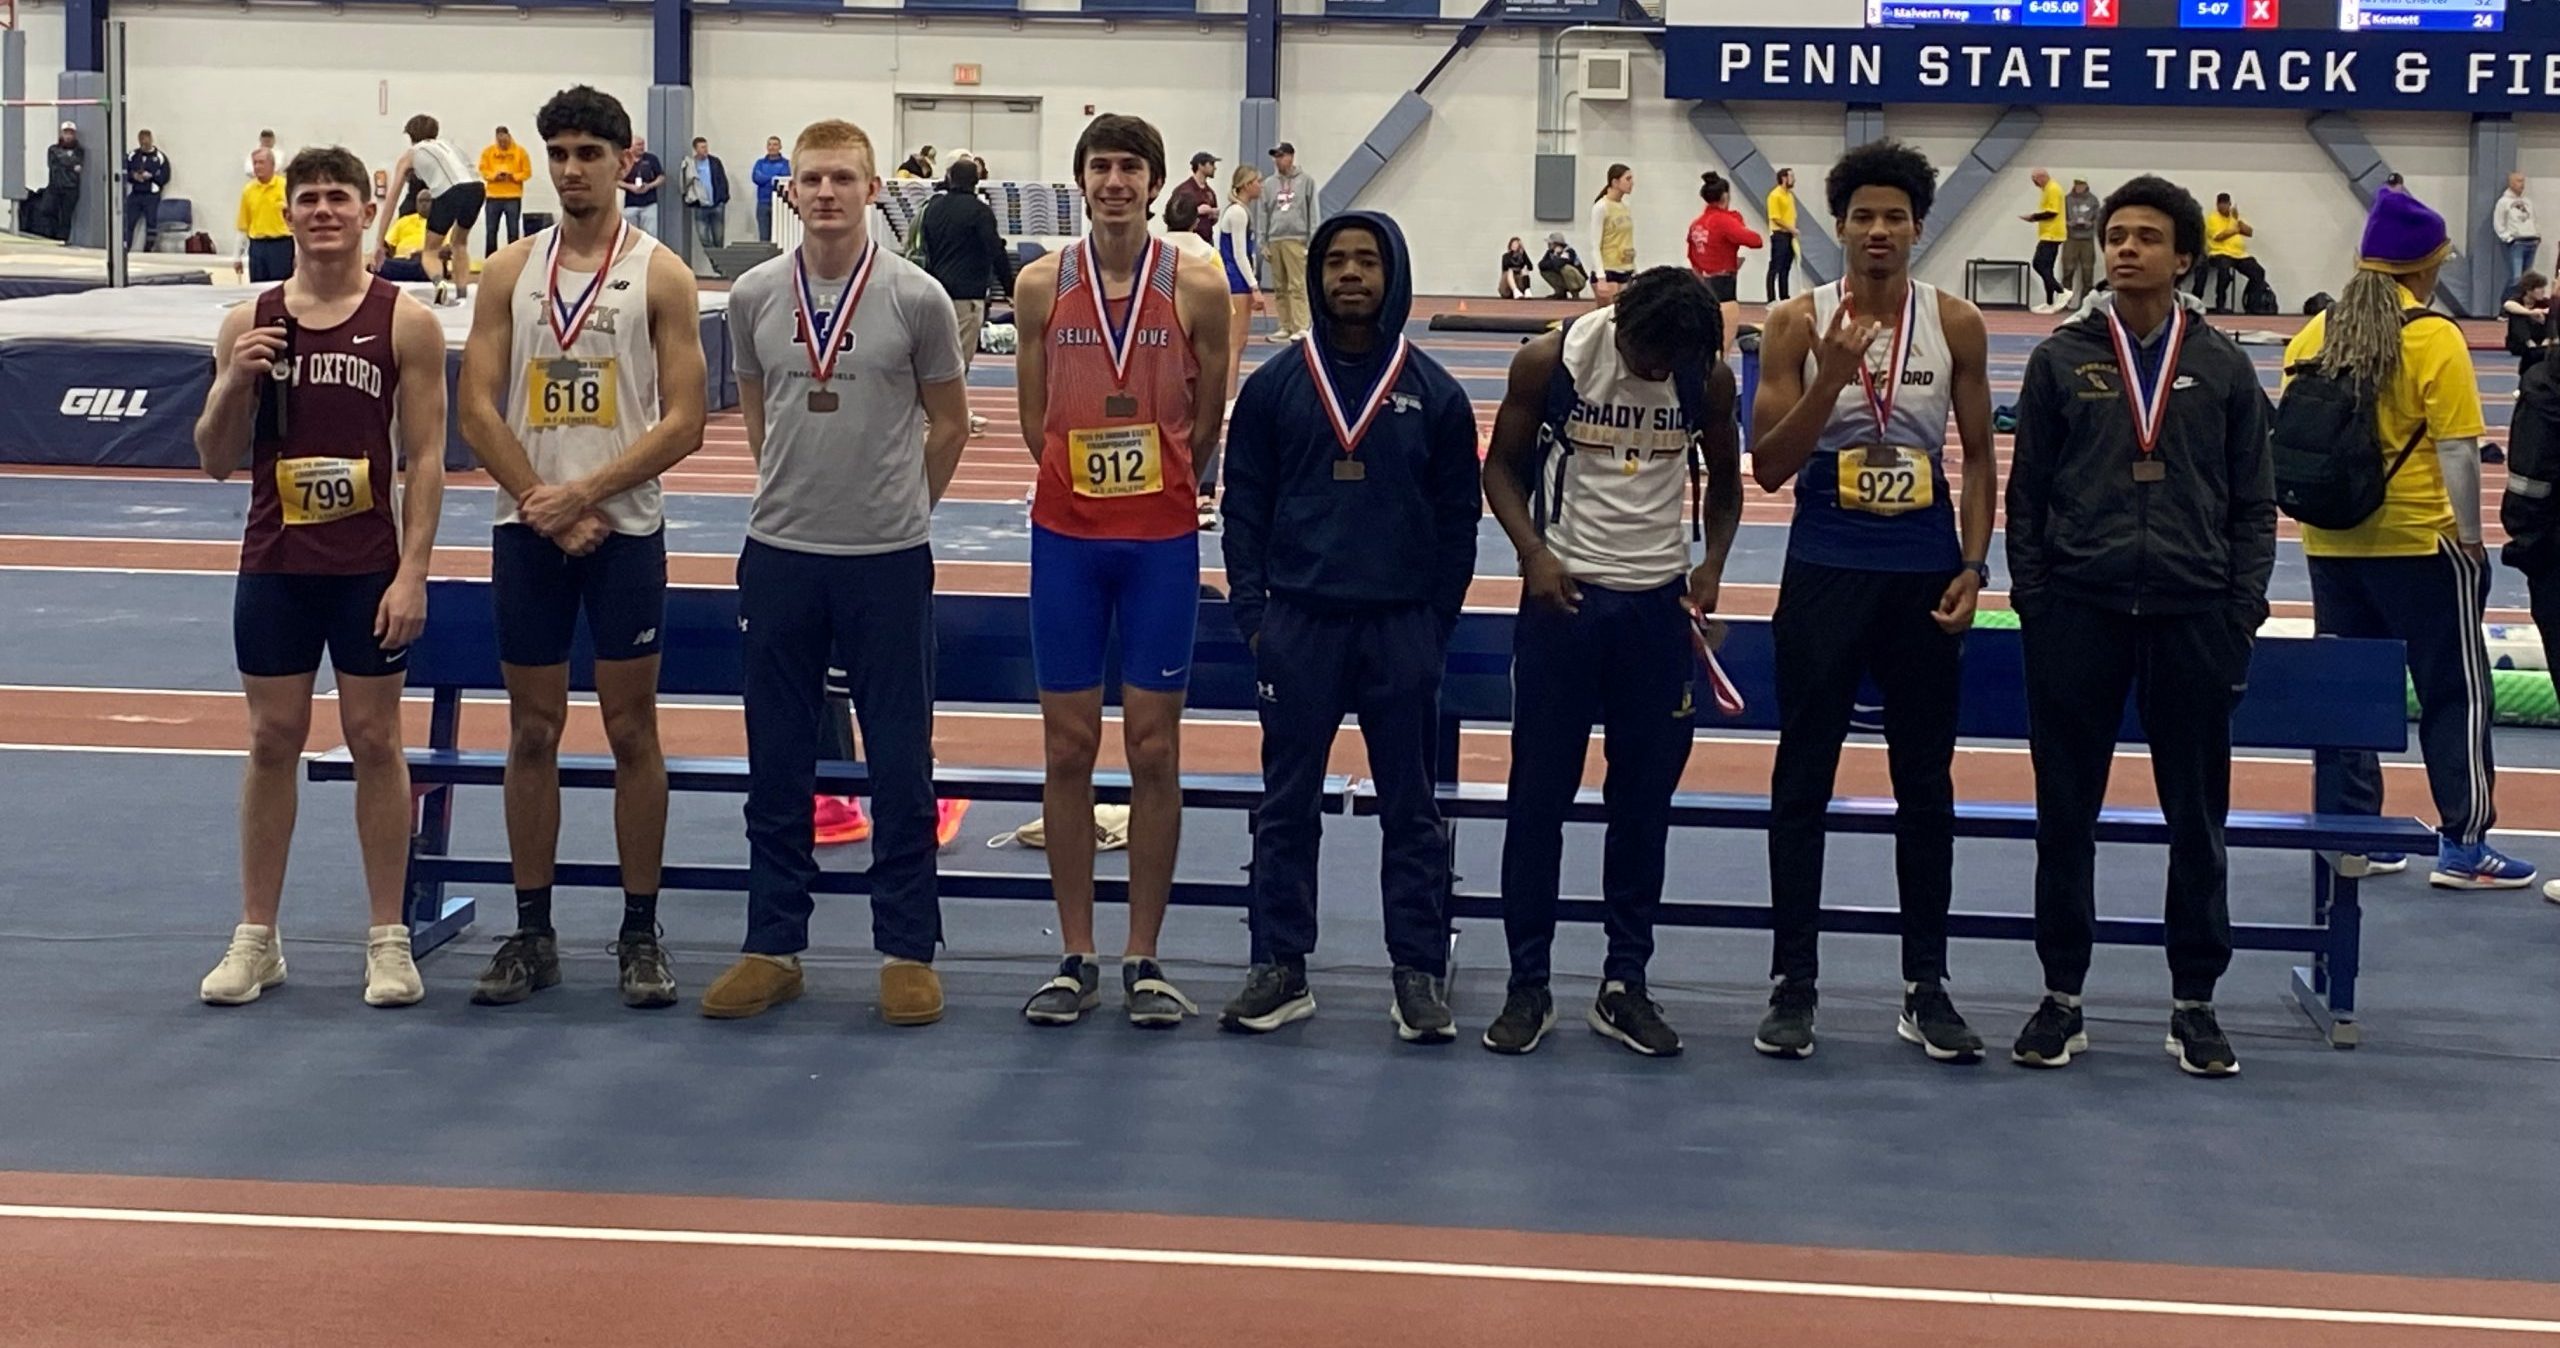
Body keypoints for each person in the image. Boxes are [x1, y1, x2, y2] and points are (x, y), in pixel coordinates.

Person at [699, 118, 970, 1025]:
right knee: (778, 759)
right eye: (812, 178)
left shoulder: (917, 298)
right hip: (781, 555)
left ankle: (907, 950)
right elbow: (755, 406)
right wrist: (795, 489)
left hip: (887, 560)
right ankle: (772, 946)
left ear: (873, 190)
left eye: (843, 178)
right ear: (792, 190)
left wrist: (904, 508)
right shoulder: (753, 295)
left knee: (900, 760)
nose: (825, 192)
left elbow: (951, 423)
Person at [2006, 175, 2277, 1078]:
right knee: (2064, 817)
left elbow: (2254, 505)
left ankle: (2195, 1002)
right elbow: (2027, 495)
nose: (2125, 248)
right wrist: (2038, 603)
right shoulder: (2061, 359)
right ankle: (2061, 997)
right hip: (2079, 614)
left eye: (2147, 237)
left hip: (2193, 616)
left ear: (2184, 257)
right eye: (2116, 235)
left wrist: (2240, 613)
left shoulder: (2225, 366)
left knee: (2197, 822)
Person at [1745, 139, 1999, 1064]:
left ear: (1918, 228)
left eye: (1895, 217)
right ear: (1840, 228)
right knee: (1802, 777)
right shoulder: (1794, 321)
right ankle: (1793, 983)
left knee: (1925, 784)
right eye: (1863, 217)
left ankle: (1927, 985)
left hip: (1923, 572)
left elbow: (1979, 459)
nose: (1879, 231)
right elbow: (1770, 466)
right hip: (1825, 565)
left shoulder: (1957, 323)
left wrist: (1974, 566)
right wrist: (1832, 377)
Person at [456, 84, 709, 1009]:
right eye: (558, 154)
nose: (571, 170)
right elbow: (475, 407)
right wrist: (544, 502)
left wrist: (585, 494)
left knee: (633, 731)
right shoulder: (507, 272)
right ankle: (533, 932)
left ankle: (640, 932)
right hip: (529, 532)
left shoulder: (662, 275)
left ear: (622, 162)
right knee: (532, 731)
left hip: (624, 532)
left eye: (588, 155)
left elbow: (686, 421)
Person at [193, 145, 448, 1010]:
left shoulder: (404, 321)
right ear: (288, 212)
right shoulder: (250, 320)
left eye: (339, 197)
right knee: (272, 740)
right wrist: (235, 379)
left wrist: (414, 573)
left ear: (364, 212)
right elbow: (213, 459)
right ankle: (256, 938)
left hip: (367, 566)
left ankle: (389, 939)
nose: (324, 211)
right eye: (309, 199)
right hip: (275, 561)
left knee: (375, 740)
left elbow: (427, 458)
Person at [1218, 210, 1482, 1042]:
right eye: (1337, 261)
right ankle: (1279, 966)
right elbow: (1243, 508)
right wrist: (1255, 617)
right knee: (1285, 806)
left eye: (1367, 261)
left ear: (1391, 274)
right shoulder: (1275, 387)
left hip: (1400, 629)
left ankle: (1417, 972)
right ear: (1318, 275)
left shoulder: (1435, 394)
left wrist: (1433, 626)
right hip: (1299, 625)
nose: (1351, 274)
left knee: (1411, 809)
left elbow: (1460, 522)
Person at [1478, 267, 1741, 1057]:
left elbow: (1726, 486)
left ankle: (1625, 982)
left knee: (1642, 807)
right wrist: (1533, 553)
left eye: (1671, 361)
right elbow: (1500, 469)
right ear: (1619, 322)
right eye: (1647, 355)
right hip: (1566, 604)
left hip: (1657, 611)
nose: (1657, 369)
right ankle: (1528, 984)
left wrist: (1713, 564)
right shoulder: (1551, 363)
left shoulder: (1705, 377)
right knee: (1538, 801)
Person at [1011, 112, 1230, 1028]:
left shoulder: (1198, 283)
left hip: (1159, 545)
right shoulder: (1039, 284)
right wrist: (1085, 483)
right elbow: (1034, 420)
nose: (1114, 182)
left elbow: (1208, 415)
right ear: (1082, 180)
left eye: (1130, 168)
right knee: (1067, 748)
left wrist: (1162, 483)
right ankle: (1076, 954)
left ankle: (1144, 954)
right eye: (1100, 167)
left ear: (1153, 182)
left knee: (1152, 749)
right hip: (1066, 540)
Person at [2286, 190, 2536, 890]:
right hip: (2420, 542)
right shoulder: (2433, 337)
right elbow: (2458, 449)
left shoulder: (2314, 334)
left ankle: (2351, 839)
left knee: (2346, 696)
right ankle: (2463, 842)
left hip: (2331, 541)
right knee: (2455, 691)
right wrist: (2472, 539)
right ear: (2426, 267)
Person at [916, 155, 1016, 439]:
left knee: (935, 356)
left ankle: (936, 413)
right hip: (966, 295)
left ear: (949, 178)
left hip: (935, 292)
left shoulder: (932, 208)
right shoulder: (979, 212)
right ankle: (948, 416)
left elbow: (925, 247)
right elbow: (995, 250)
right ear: (977, 181)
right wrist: (1010, 288)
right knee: (959, 360)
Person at [377, 115, 486, 301]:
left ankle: (440, 285)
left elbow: (391, 201)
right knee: (460, 244)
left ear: (410, 136)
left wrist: (379, 242)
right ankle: (462, 294)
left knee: (430, 252)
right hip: (477, 189)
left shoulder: (410, 154)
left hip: (448, 191)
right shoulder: (451, 146)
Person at [1685, 172, 1761, 355]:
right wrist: (1736, 221)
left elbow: (1692, 255)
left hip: (1706, 282)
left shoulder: (1697, 224)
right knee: (1724, 346)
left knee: (1708, 339)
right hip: (1725, 287)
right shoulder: (1725, 221)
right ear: (1725, 196)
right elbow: (1756, 241)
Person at [1217, 168, 1264, 453]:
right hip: (1235, 283)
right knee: (1234, 343)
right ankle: (1228, 398)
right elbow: (1238, 254)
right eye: (1257, 181)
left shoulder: (1242, 212)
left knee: (1240, 342)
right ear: (1246, 185)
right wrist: (1254, 286)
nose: (1261, 185)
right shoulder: (1237, 213)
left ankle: (1229, 395)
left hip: (1239, 282)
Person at [1256, 141, 1321, 342]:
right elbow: (1263, 213)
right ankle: (1285, 325)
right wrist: (1263, 242)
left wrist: (1312, 241)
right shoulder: (1269, 184)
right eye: (1275, 157)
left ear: (1291, 156)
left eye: (1281, 156)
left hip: (1297, 238)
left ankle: (1301, 325)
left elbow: (1313, 212)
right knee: (1280, 286)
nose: (1278, 160)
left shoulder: (1306, 181)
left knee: (1297, 284)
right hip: (1275, 238)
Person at [2194, 193, 2268, 313]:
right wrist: (2235, 229)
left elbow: (2249, 232)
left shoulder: (2234, 217)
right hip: (2219, 252)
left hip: (2239, 255)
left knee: (2258, 272)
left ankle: (2253, 305)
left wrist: (2237, 220)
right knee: (2224, 270)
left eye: (2226, 204)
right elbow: (2219, 236)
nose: (2224, 207)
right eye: (2221, 204)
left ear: (2229, 204)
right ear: (2217, 205)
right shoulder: (2212, 218)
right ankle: (2220, 304)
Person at [238, 148, 293, 283]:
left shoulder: (286, 187)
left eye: (261, 162)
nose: (257, 166)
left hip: (281, 245)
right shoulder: (248, 190)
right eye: (255, 163)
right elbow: (243, 225)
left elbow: (296, 224)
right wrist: (237, 256)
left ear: (272, 165)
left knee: (281, 286)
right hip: (257, 247)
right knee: (257, 286)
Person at [1589, 163, 1636, 304]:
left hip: (1626, 269)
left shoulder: (1625, 206)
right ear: (1615, 182)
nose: (1632, 183)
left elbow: (1627, 240)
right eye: (1628, 179)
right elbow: (1595, 245)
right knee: (1609, 314)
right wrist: (1601, 277)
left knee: (1626, 313)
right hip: (1609, 270)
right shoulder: (1601, 207)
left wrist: (1635, 270)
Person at [480, 125, 531, 254]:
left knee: (513, 232)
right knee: (491, 232)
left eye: (504, 141)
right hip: (493, 197)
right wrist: (494, 176)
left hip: (513, 197)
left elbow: (527, 173)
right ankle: (490, 260)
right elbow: (483, 170)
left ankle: (512, 259)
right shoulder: (488, 152)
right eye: (499, 141)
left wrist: (513, 176)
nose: (502, 144)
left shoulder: (521, 152)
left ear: (509, 137)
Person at [2023, 167, 2066, 313]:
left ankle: (2061, 291)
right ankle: (2049, 302)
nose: (2034, 183)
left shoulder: (2053, 189)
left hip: (2052, 235)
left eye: (2035, 180)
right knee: (2047, 268)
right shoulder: (2046, 189)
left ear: (2041, 177)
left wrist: (2033, 217)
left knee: (2038, 264)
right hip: (2048, 234)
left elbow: (2053, 212)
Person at [124, 129, 170, 254]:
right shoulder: (133, 155)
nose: (144, 144)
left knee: (151, 223)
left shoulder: (159, 157)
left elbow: (165, 176)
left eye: (146, 141)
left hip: (151, 195)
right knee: (128, 222)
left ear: (151, 140)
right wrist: (133, 176)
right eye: (141, 142)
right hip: (136, 193)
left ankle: (148, 250)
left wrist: (151, 177)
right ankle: (124, 248)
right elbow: (124, 170)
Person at [683, 136, 731, 252]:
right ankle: (713, 258)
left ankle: (719, 260)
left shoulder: (715, 162)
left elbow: (722, 179)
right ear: (695, 149)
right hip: (700, 205)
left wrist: (723, 198)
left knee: (718, 237)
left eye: (706, 147)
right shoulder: (691, 164)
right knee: (703, 237)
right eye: (702, 147)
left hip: (716, 204)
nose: (705, 149)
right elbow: (685, 182)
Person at [2059, 177, 2099, 307]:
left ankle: (2085, 304)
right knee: (2067, 271)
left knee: (2088, 273)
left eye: (2081, 184)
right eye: (2077, 184)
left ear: (2086, 185)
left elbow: (2098, 219)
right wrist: (2068, 223)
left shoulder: (2093, 200)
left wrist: (2090, 223)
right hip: (2071, 239)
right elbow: (2059, 217)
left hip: (2087, 240)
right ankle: (2064, 303)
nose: (2079, 187)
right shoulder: (2067, 199)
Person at [40, 121, 82, 243]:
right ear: (61, 134)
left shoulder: (79, 151)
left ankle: (62, 240)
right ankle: (49, 237)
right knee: (47, 210)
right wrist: (70, 163)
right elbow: (55, 164)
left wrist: (65, 161)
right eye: (65, 133)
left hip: (71, 188)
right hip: (54, 186)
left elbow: (77, 163)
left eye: (70, 133)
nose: (68, 136)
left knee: (66, 217)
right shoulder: (53, 149)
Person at [379, 188, 433, 282]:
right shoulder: (403, 221)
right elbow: (386, 245)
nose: (424, 204)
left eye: (427, 201)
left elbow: (447, 249)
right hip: (400, 261)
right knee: (380, 264)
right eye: (421, 201)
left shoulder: (440, 223)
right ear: (416, 204)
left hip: (423, 262)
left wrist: (424, 253)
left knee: (425, 265)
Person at [2506, 271, 2552, 379]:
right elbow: (2508, 305)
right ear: (2529, 290)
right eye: (2539, 288)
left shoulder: (2544, 302)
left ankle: (2546, 341)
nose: (2543, 291)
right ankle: (2529, 343)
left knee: (2552, 315)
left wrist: (2544, 312)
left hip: (2541, 343)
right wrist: (2531, 313)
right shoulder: (2517, 300)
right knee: (2518, 315)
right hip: (2520, 343)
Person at [1166, 151, 1219, 243]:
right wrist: (1197, 211)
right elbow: (1172, 216)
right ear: (1200, 165)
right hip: (1187, 241)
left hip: (1206, 240)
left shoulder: (1210, 192)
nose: (1215, 167)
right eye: (1211, 163)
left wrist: (1213, 215)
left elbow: (1213, 220)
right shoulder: (1184, 190)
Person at [2497, 172, 2539, 287]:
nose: (2522, 184)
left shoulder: (2527, 202)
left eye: (2523, 181)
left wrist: (2537, 235)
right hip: (2517, 243)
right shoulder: (2503, 202)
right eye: (2519, 181)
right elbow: (2499, 223)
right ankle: (2514, 297)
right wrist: (2509, 239)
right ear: (2511, 183)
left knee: (2529, 278)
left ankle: (2526, 298)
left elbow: (2533, 219)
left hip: (2531, 241)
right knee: (2516, 278)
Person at [621, 134, 666, 236]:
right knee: (630, 235)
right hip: (630, 205)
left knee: (650, 235)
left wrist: (649, 186)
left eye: (643, 144)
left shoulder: (651, 159)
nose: (641, 147)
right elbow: (616, 180)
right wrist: (630, 187)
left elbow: (661, 177)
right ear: (631, 146)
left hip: (649, 204)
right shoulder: (624, 160)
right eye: (638, 145)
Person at [1765, 166, 1799, 303]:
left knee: (1786, 268)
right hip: (1779, 235)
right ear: (1784, 178)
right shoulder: (1775, 195)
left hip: (1789, 235)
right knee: (1775, 267)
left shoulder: (1789, 195)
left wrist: (1793, 231)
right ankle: (1771, 299)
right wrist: (1791, 229)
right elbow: (1775, 218)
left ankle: (1784, 297)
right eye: (1791, 176)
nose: (1794, 179)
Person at [751, 136, 790, 243]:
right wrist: (774, 178)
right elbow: (756, 178)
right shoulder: (760, 163)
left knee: (780, 237)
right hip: (763, 203)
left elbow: (784, 179)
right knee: (764, 237)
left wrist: (767, 178)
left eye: (775, 144)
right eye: (770, 144)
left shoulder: (786, 164)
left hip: (780, 204)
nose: (772, 147)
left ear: (780, 147)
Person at [1538, 232, 1587, 299]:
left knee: (1565, 268)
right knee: (1545, 271)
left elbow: (1558, 265)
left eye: (1550, 243)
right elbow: (1541, 265)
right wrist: (1555, 255)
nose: (1548, 245)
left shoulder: (1569, 251)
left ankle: (1575, 292)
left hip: (1579, 281)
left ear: (1557, 244)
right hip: (1566, 280)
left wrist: (1556, 257)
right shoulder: (1550, 252)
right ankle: (1560, 292)